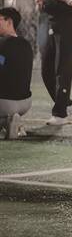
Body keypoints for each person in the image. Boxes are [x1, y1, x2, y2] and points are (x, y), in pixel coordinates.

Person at [0, 8, 33, 139]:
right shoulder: (26, 44)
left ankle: (6, 122)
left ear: (9, 22)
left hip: (5, 103)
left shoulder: (1, 44)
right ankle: (15, 122)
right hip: (25, 103)